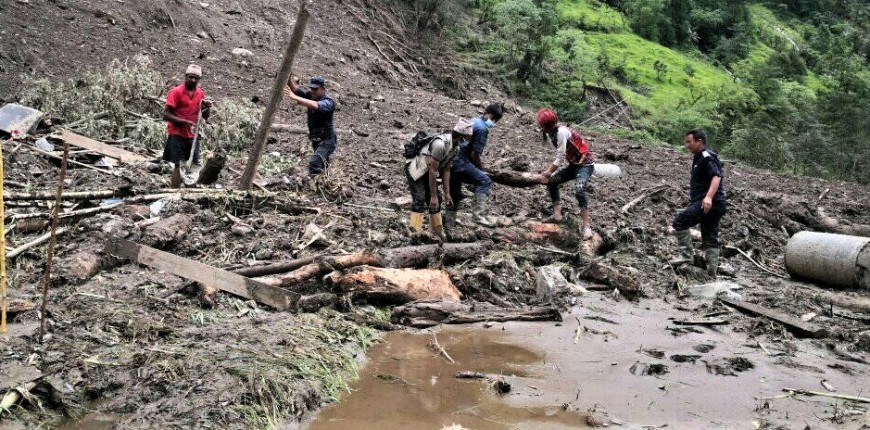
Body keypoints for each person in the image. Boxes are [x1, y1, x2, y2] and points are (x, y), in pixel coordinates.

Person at [406, 118, 474, 242]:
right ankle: (415, 234)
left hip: (428, 170)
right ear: (460, 136)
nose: (467, 142)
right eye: (466, 138)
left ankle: (436, 232)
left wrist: (447, 194)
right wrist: (432, 196)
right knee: (420, 199)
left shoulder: (455, 147)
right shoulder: (440, 145)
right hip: (416, 168)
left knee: (439, 199)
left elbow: (446, 170)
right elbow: (433, 171)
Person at [671, 129, 727, 277]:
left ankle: (686, 256)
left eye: (689, 142)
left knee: (680, 222)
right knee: (710, 235)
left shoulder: (706, 157)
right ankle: (711, 272)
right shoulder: (699, 156)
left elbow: (716, 177)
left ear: (699, 141)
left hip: (709, 202)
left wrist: (708, 197)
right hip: (715, 203)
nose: (686, 145)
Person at [535, 108, 595, 240]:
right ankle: (557, 215)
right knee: (552, 182)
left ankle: (586, 227)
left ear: (546, 125)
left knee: (579, 190)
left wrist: (547, 172)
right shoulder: (551, 133)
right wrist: (549, 175)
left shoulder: (561, 132)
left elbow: (560, 156)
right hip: (573, 165)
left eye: (541, 125)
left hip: (585, 165)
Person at [447, 104, 504, 229]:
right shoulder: (482, 129)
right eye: (493, 118)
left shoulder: (472, 121)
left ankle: (449, 221)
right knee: (484, 181)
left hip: (450, 162)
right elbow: (474, 154)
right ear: (486, 113)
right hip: (461, 162)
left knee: (455, 193)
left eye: (496, 120)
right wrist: (480, 168)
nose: (493, 122)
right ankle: (478, 216)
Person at [162, 64, 212, 188]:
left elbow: (205, 116)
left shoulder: (200, 93)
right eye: (191, 77)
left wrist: (207, 107)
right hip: (177, 133)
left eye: (196, 78)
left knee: (193, 165)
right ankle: (174, 192)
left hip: (193, 135)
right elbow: (166, 115)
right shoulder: (176, 91)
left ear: (199, 79)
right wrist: (184, 122)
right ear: (185, 77)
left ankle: (188, 192)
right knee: (179, 165)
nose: (193, 80)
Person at [283, 76, 337, 176]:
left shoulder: (329, 102)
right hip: (316, 139)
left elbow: (316, 105)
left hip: (327, 140)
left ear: (323, 89)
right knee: (322, 165)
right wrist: (288, 77)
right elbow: (296, 91)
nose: (313, 91)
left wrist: (295, 97)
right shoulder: (311, 96)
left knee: (314, 163)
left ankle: (314, 185)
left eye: (315, 89)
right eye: (311, 89)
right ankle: (324, 183)